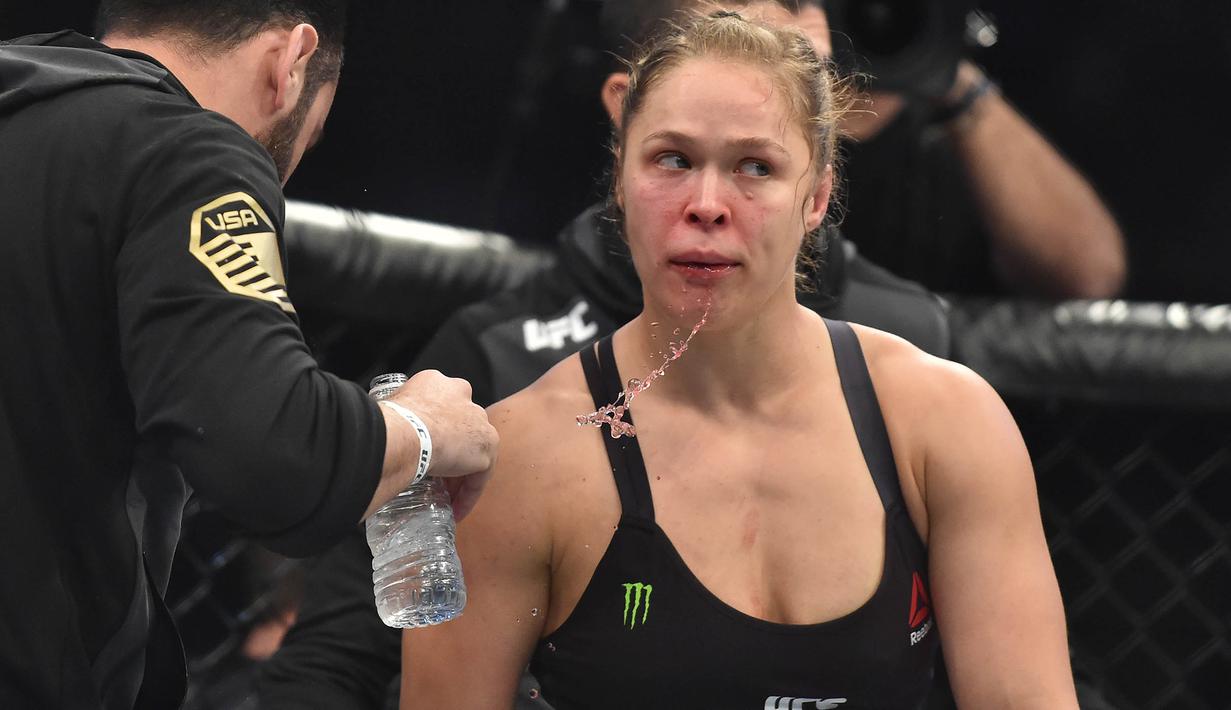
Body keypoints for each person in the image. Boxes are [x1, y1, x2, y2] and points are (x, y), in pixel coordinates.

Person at [400, 11, 1077, 709]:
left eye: (754, 167)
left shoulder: (944, 425)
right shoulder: (527, 460)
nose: (706, 205)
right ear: (619, 182)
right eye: (672, 159)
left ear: (815, 197)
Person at [0, 2, 497, 708]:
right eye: (308, 141)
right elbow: (272, 454)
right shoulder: (185, 149)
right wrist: (423, 428)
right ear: (290, 63)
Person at [604, 0, 1126, 300]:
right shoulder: (660, 131)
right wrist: (772, 71)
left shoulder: (933, 130)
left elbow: (1089, 274)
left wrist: (939, 69)